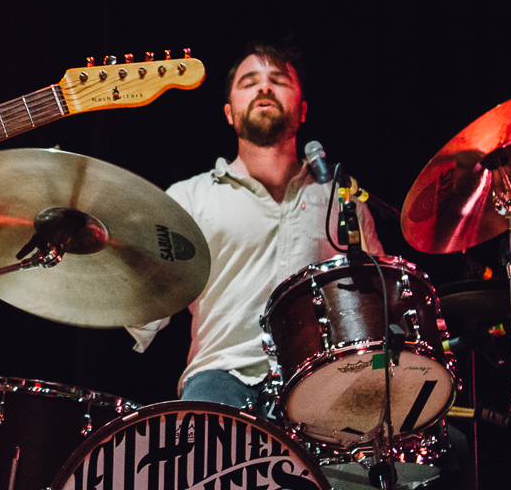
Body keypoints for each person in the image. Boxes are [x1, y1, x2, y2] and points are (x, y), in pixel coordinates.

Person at [129, 41, 382, 408]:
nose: (264, 87)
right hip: (221, 375)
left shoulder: (342, 198)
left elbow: (378, 305)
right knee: (198, 441)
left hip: (323, 381)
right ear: (229, 113)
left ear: (304, 109)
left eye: (278, 80)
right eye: (249, 82)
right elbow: (137, 302)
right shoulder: (188, 199)